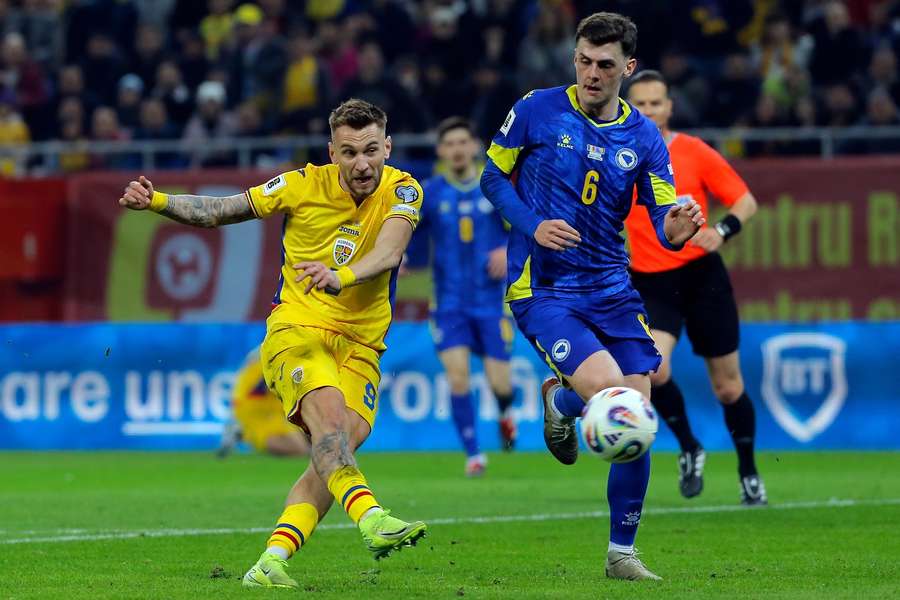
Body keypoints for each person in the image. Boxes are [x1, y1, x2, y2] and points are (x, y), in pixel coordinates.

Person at [118, 98, 427, 589]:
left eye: (371, 150)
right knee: (328, 429)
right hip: (298, 331)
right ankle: (373, 520)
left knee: (335, 452)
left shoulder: (404, 189)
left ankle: (270, 562)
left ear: (387, 147)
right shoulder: (301, 184)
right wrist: (157, 201)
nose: (361, 163)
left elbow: (390, 252)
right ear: (332, 153)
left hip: (364, 346)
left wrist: (340, 274)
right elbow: (221, 210)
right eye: (348, 153)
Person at [480, 12, 704, 581]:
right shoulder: (536, 109)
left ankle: (620, 552)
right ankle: (570, 401)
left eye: (605, 65)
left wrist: (680, 224)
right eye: (584, 60)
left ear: (627, 68)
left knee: (640, 407)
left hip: (611, 286)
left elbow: (663, 222)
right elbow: (491, 177)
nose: (591, 73)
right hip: (546, 287)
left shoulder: (644, 137)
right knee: (615, 394)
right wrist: (531, 225)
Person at [624, 69, 766, 505]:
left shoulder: (694, 152)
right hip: (650, 280)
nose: (649, 110)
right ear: (629, 108)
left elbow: (745, 201)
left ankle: (748, 471)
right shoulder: (617, 154)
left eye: (656, 102)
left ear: (669, 107)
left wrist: (721, 230)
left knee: (728, 386)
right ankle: (689, 446)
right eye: (640, 103)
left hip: (702, 277)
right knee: (653, 368)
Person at [413, 116, 517, 477]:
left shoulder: (495, 187)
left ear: (475, 146)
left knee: (500, 384)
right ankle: (474, 454)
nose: (457, 149)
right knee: (457, 378)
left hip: (490, 304)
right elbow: (404, 232)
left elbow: (526, 228)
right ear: (442, 151)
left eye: (463, 142)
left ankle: (505, 412)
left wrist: (507, 251)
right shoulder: (432, 193)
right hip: (449, 304)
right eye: (449, 144)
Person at [216, 347, 310, 458]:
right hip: (257, 411)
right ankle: (243, 431)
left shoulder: (279, 349)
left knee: (305, 440)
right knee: (300, 449)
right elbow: (257, 388)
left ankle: (241, 433)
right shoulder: (273, 354)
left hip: (273, 410)